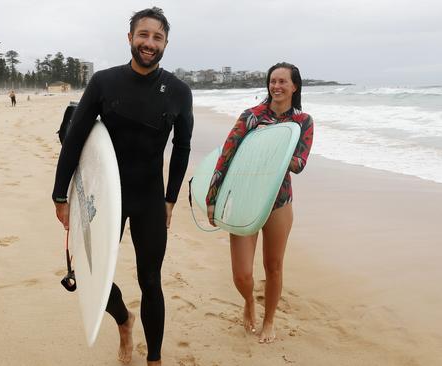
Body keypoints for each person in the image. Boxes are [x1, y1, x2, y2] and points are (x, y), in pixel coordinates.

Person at [52, 7, 193, 365]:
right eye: (143, 35)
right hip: (103, 196)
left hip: (148, 198)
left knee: (150, 279)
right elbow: (76, 138)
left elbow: (183, 147)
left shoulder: (178, 91)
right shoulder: (104, 82)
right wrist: (60, 194)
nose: (149, 43)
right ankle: (124, 320)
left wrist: (170, 199)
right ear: (130, 37)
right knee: (88, 273)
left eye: (157, 37)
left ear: (166, 44)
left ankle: (154, 359)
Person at [206, 62, 314, 343]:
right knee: (242, 274)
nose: (276, 86)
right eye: (272, 81)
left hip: (279, 200)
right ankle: (249, 302)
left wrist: (277, 149)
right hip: (244, 196)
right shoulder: (251, 117)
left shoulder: (302, 122)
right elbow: (226, 156)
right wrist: (212, 198)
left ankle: (269, 320)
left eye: (282, 81)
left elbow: (299, 164)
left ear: (294, 86)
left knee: (274, 266)